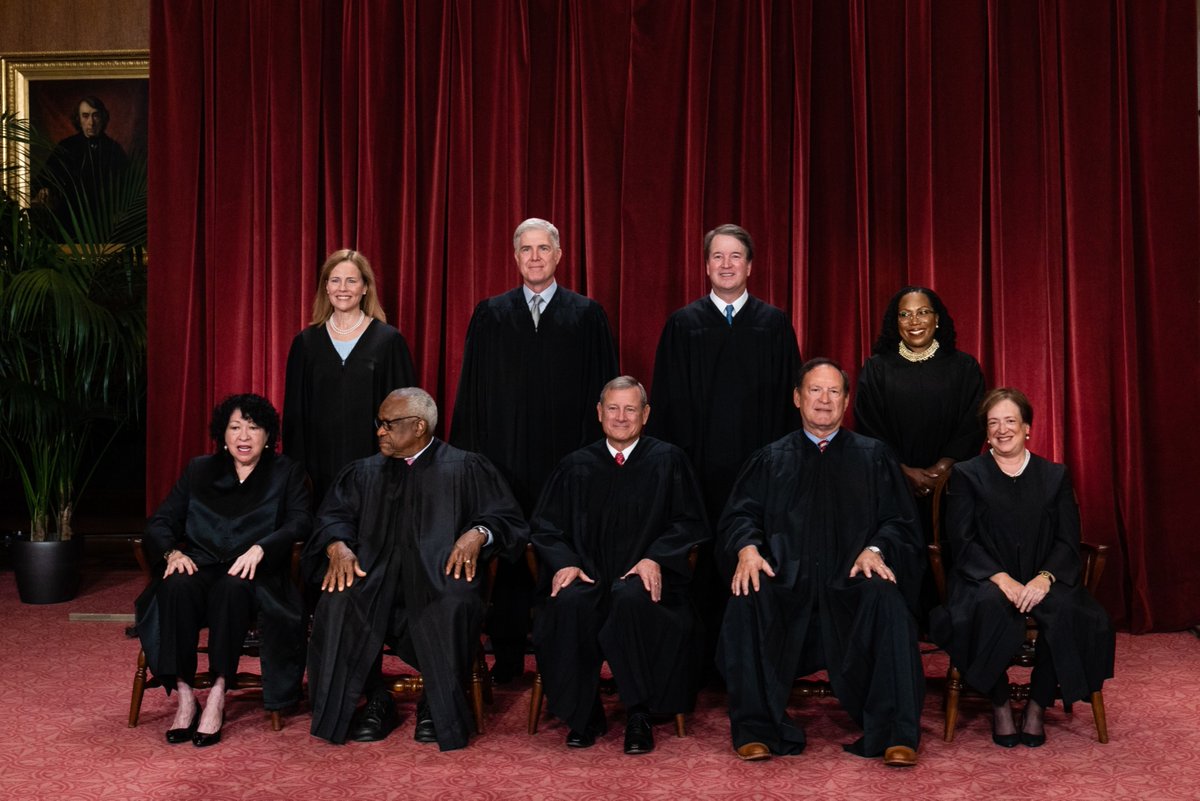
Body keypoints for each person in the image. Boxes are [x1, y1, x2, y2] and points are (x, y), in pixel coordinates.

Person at [717, 359, 924, 766]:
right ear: (797, 398)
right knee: (747, 597)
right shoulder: (770, 459)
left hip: (851, 581)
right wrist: (747, 549)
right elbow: (740, 515)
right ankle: (756, 729)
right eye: (815, 390)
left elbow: (899, 521)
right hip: (786, 581)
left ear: (846, 401)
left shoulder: (873, 456)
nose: (824, 400)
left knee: (887, 600)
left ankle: (894, 733)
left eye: (834, 392)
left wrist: (876, 549)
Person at [305, 388, 529, 751]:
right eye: (379, 423)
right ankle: (375, 699)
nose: (380, 431)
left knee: (456, 602)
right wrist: (337, 545)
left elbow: (506, 519)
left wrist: (478, 533)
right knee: (338, 599)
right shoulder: (363, 472)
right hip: (374, 576)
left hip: (438, 577)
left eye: (388, 424)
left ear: (419, 426)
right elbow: (332, 517)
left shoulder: (466, 467)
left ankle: (436, 707)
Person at [451, 218, 619, 682]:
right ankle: (507, 657)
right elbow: (472, 394)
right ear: (515, 256)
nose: (535, 257)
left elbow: (606, 396)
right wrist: (471, 463)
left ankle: (565, 661)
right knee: (508, 558)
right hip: (503, 462)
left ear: (559, 255)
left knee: (565, 555)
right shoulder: (491, 315)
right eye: (526, 249)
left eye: (543, 248)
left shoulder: (586, 315)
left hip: (569, 463)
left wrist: (596, 462)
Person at [647, 223, 801, 682]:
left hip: (760, 475)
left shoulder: (774, 324)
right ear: (706, 265)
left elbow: (790, 404)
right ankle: (700, 667)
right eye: (718, 256)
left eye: (736, 256)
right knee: (700, 566)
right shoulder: (683, 325)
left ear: (750, 266)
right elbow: (666, 405)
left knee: (756, 560)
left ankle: (755, 666)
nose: (727, 264)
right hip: (698, 473)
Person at [531, 377, 710, 755]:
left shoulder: (668, 460)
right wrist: (566, 563)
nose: (621, 417)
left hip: (643, 578)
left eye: (631, 409)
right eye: (613, 408)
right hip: (589, 574)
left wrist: (655, 558)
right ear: (599, 413)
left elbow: (689, 523)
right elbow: (545, 528)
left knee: (633, 599)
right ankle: (583, 714)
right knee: (570, 603)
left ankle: (639, 714)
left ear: (646, 414)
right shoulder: (575, 466)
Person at [930, 388, 1114, 747]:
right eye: (993, 423)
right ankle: (999, 701)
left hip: (1044, 576)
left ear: (1027, 427)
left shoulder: (1054, 475)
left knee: (1070, 612)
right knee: (986, 606)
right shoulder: (967, 474)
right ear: (986, 432)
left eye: (1010, 421)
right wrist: (1001, 579)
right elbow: (962, 541)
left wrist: (1044, 578)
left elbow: (1067, 540)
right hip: (984, 577)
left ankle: (1037, 703)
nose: (1002, 430)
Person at [135, 393, 310, 748]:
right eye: (235, 428)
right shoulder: (200, 469)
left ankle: (217, 691)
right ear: (223, 434)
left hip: (254, 571)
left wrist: (263, 548)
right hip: (202, 562)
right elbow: (161, 521)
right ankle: (185, 695)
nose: (243, 436)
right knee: (175, 585)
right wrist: (171, 553)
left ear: (268, 435)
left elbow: (301, 521)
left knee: (232, 588)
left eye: (253, 428)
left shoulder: (286, 472)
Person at [854, 286, 985, 618]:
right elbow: (868, 427)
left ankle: (953, 621)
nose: (915, 321)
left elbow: (973, 422)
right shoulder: (877, 369)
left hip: (952, 487)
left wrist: (944, 468)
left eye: (923, 312)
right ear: (895, 322)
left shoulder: (964, 367)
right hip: (893, 485)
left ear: (937, 319)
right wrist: (904, 471)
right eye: (905, 314)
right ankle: (901, 623)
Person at [283, 248, 415, 507]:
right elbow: (294, 416)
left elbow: (406, 414)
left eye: (351, 280)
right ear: (326, 287)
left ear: (365, 287)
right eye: (335, 280)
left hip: (377, 470)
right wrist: (299, 477)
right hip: (318, 472)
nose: (342, 288)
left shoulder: (388, 341)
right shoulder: (306, 343)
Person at [32, 95, 130, 228]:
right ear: (78, 119)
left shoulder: (114, 149)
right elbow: (45, 178)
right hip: (70, 219)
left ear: (103, 118)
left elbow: (127, 188)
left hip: (104, 221)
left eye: (96, 116)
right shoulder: (66, 146)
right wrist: (45, 189)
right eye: (85, 116)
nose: (91, 122)